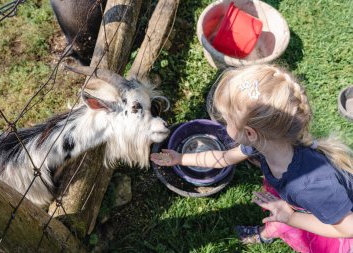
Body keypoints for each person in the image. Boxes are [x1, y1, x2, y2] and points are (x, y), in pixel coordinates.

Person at [150, 64, 353, 252]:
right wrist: (181, 159)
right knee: (279, 215)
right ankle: (266, 234)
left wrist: (292, 217)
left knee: (289, 221)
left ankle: (277, 226)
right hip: (299, 204)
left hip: (333, 229)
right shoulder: (266, 143)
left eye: (227, 120)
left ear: (249, 133)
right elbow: (224, 157)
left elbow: (347, 228)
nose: (224, 125)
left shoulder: (311, 185)